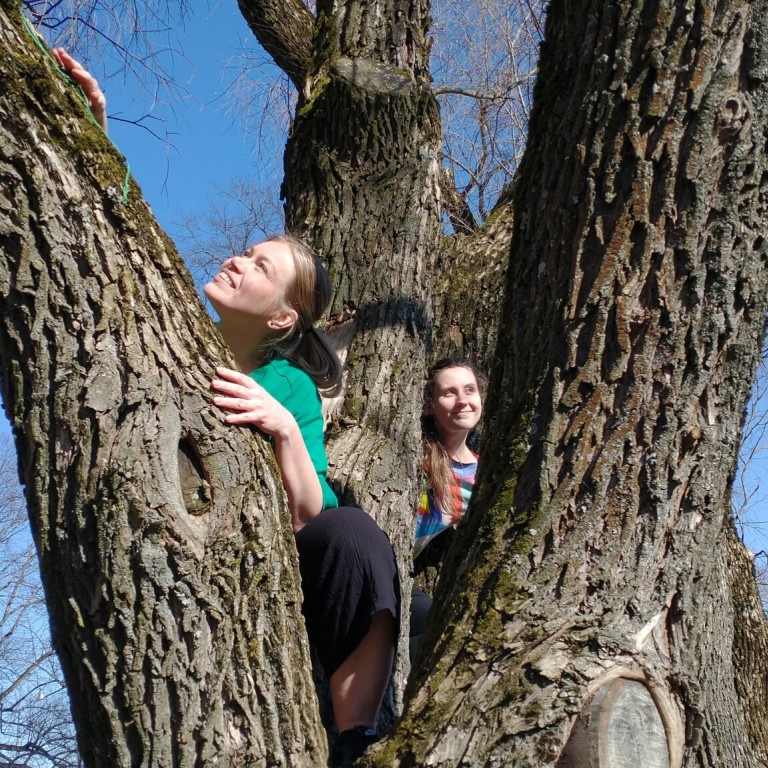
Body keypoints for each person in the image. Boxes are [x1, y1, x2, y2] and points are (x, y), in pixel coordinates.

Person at [53, 52, 398, 767]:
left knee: (361, 537)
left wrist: (279, 430)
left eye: (261, 267)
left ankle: (357, 744)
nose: (239, 260)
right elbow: (113, 254)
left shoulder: (292, 389)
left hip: (287, 591)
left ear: (281, 320)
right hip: (174, 568)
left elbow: (317, 522)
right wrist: (92, 133)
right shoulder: (170, 331)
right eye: (245, 251)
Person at [410, 357, 483, 660]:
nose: (463, 401)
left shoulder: (482, 474)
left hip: (402, 573)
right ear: (429, 404)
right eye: (449, 393)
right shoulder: (412, 450)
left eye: (470, 390)